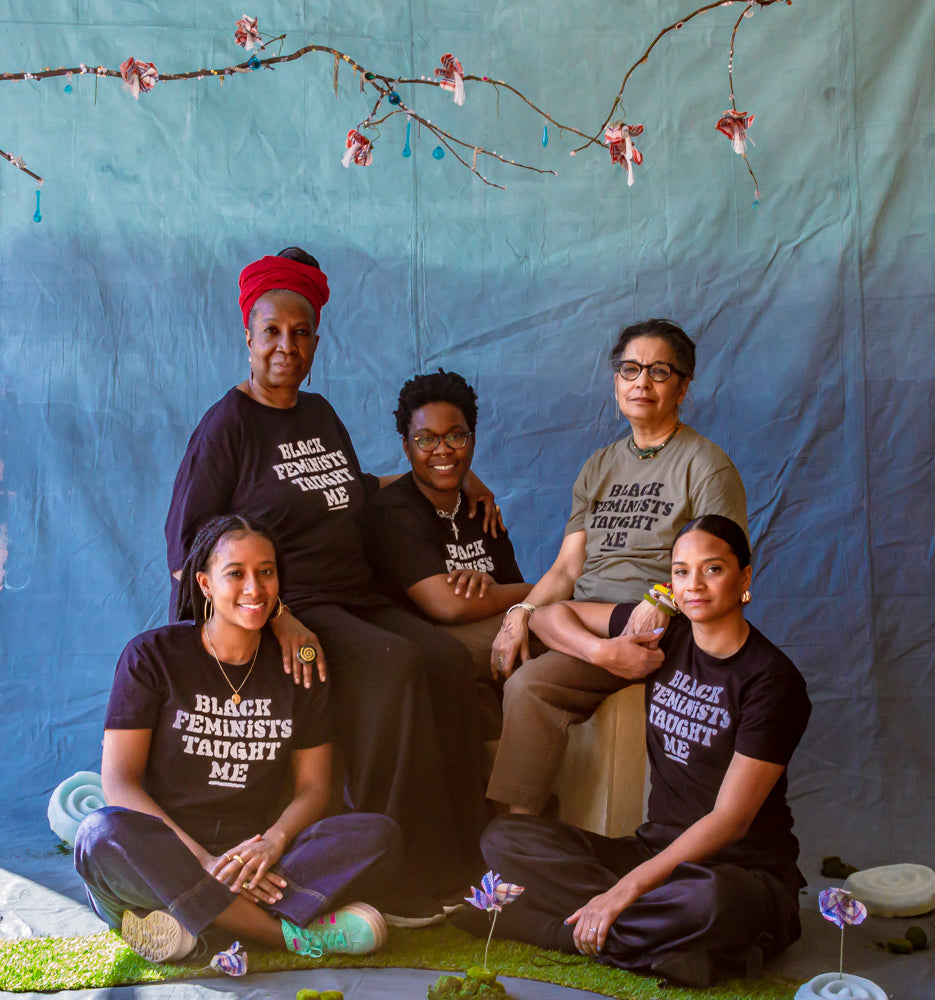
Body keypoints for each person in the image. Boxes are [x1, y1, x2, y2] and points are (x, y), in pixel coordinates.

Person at [164, 249, 488, 903]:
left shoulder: (319, 414)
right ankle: (391, 877)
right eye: (273, 333)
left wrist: (446, 473)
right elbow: (189, 546)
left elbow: (355, 490)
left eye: (301, 333)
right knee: (395, 666)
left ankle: (458, 863)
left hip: (356, 593)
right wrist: (278, 617)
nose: (287, 346)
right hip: (299, 605)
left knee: (448, 661)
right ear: (248, 339)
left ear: (315, 341)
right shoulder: (227, 427)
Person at [480, 516, 811, 989]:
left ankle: (553, 930)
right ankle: (674, 946)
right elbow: (553, 615)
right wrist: (603, 653)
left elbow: (730, 821)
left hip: (738, 872)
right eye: (680, 571)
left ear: (744, 578)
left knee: (714, 903)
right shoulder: (665, 637)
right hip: (653, 854)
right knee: (504, 838)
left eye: (712, 569)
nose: (693, 585)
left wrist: (621, 892)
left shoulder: (771, 681)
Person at [74, 515, 401, 964]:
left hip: (258, 857)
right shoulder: (151, 657)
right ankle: (280, 933)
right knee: (100, 835)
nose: (255, 587)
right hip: (168, 846)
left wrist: (274, 841)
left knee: (377, 834)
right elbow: (120, 784)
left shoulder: (297, 666)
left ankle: (187, 920)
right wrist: (204, 864)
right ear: (205, 585)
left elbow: (315, 787)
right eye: (236, 573)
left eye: (266, 572)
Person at [486, 318, 748, 814]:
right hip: (582, 616)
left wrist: (664, 601)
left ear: (684, 387)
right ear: (615, 381)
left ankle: (516, 835)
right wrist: (517, 612)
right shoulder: (599, 466)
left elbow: (720, 571)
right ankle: (468, 823)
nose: (641, 383)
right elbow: (567, 568)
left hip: (646, 625)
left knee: (531, 683)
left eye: (659, 371)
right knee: (473, 658)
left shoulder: (705, 466)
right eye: (630, 369)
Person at [363, 369, 532, 753]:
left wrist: (499, 592)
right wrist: (548, 588)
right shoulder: (392, 511)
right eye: (425, 439)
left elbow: (512, 594)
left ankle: (511, 807)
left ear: (472, 440)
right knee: (550, 623)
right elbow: (448, 606)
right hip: (428, 644)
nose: (442, 450)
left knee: (501, 686)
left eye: (455, 436)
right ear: (406, 447)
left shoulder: (480, 510)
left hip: (481, 655)